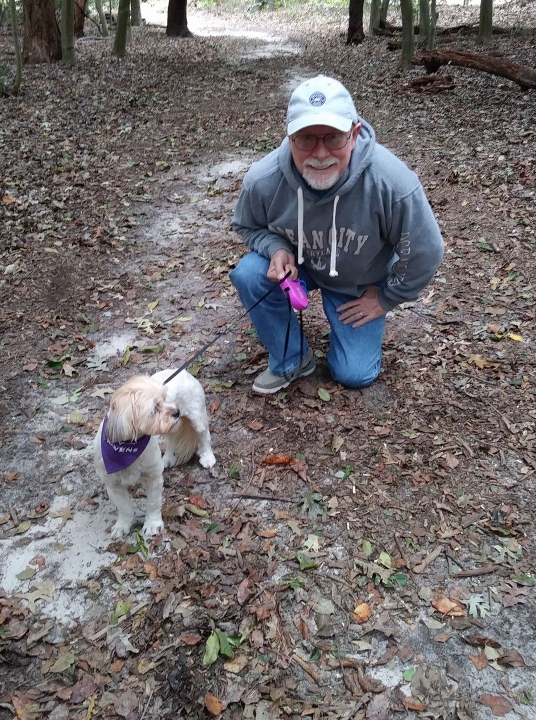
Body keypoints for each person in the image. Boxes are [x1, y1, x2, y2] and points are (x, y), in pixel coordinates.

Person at [229, 75, 444, 394]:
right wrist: (275, 247)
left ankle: (352, 337)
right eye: (306, 138)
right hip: (299, 267)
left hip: (359, 280)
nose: (320, 152)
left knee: (355, 375)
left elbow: (426, 250)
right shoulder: (263, 180)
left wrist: (387, 298)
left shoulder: (391, 183)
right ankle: (292, 359)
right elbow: (248, 225)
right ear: (290, 139)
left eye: (333, 137)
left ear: (354, 135)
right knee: (249, 273)